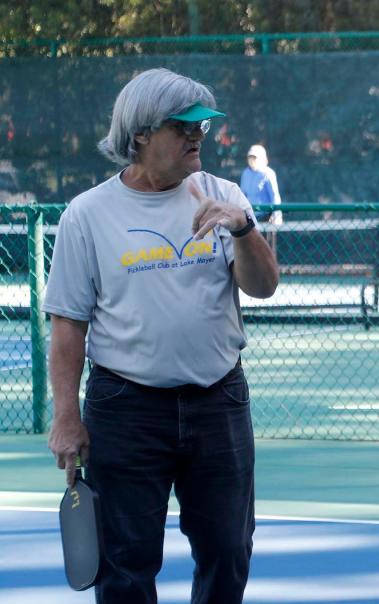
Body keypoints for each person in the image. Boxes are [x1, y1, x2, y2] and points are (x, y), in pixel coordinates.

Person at [44, 68, 280, 603]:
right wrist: (65, 418)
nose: (199, 135)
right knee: (125, 564)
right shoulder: (87, 215)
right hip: (125, 409)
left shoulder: (223, 195)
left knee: (229, 548)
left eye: (203, 125)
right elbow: (67, 326)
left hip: (218, 401)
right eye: (184, 126)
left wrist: (242, 228)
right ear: (142, 134)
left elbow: (263, 287)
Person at [240, 143, 282, 252]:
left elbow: (274, 196)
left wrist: (276, 216)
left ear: (262, 158)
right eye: (250, 157)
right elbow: (242, 195)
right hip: (249, 218)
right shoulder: (245, 173)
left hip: (266, 218)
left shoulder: (268, 173)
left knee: (267, 251)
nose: (251, 160)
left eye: (254, 157)